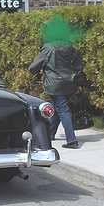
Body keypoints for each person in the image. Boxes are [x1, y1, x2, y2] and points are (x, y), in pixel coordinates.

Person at [28, 17, 84, 149]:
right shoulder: (72, 48)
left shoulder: (49, 48)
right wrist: (78, 84)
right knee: (58, 109)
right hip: (70, 83)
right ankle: (50, 134)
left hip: (55, 84)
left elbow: (34, 66)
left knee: (62, 110)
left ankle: (71, 140)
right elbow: (78, 67)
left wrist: (33, 71)